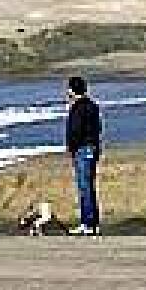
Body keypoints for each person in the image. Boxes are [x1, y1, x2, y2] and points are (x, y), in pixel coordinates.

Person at [64, 75, 101, 235]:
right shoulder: (92, 105)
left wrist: (72, 147)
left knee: (84, 186)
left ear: (73, 90)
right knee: (89, 186)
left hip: (83, 149)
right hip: (92, 148)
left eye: (69, 88)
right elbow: (98, 127)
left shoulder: (78, 107)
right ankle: (92, 223)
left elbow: (75, 131)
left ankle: (88, 223)